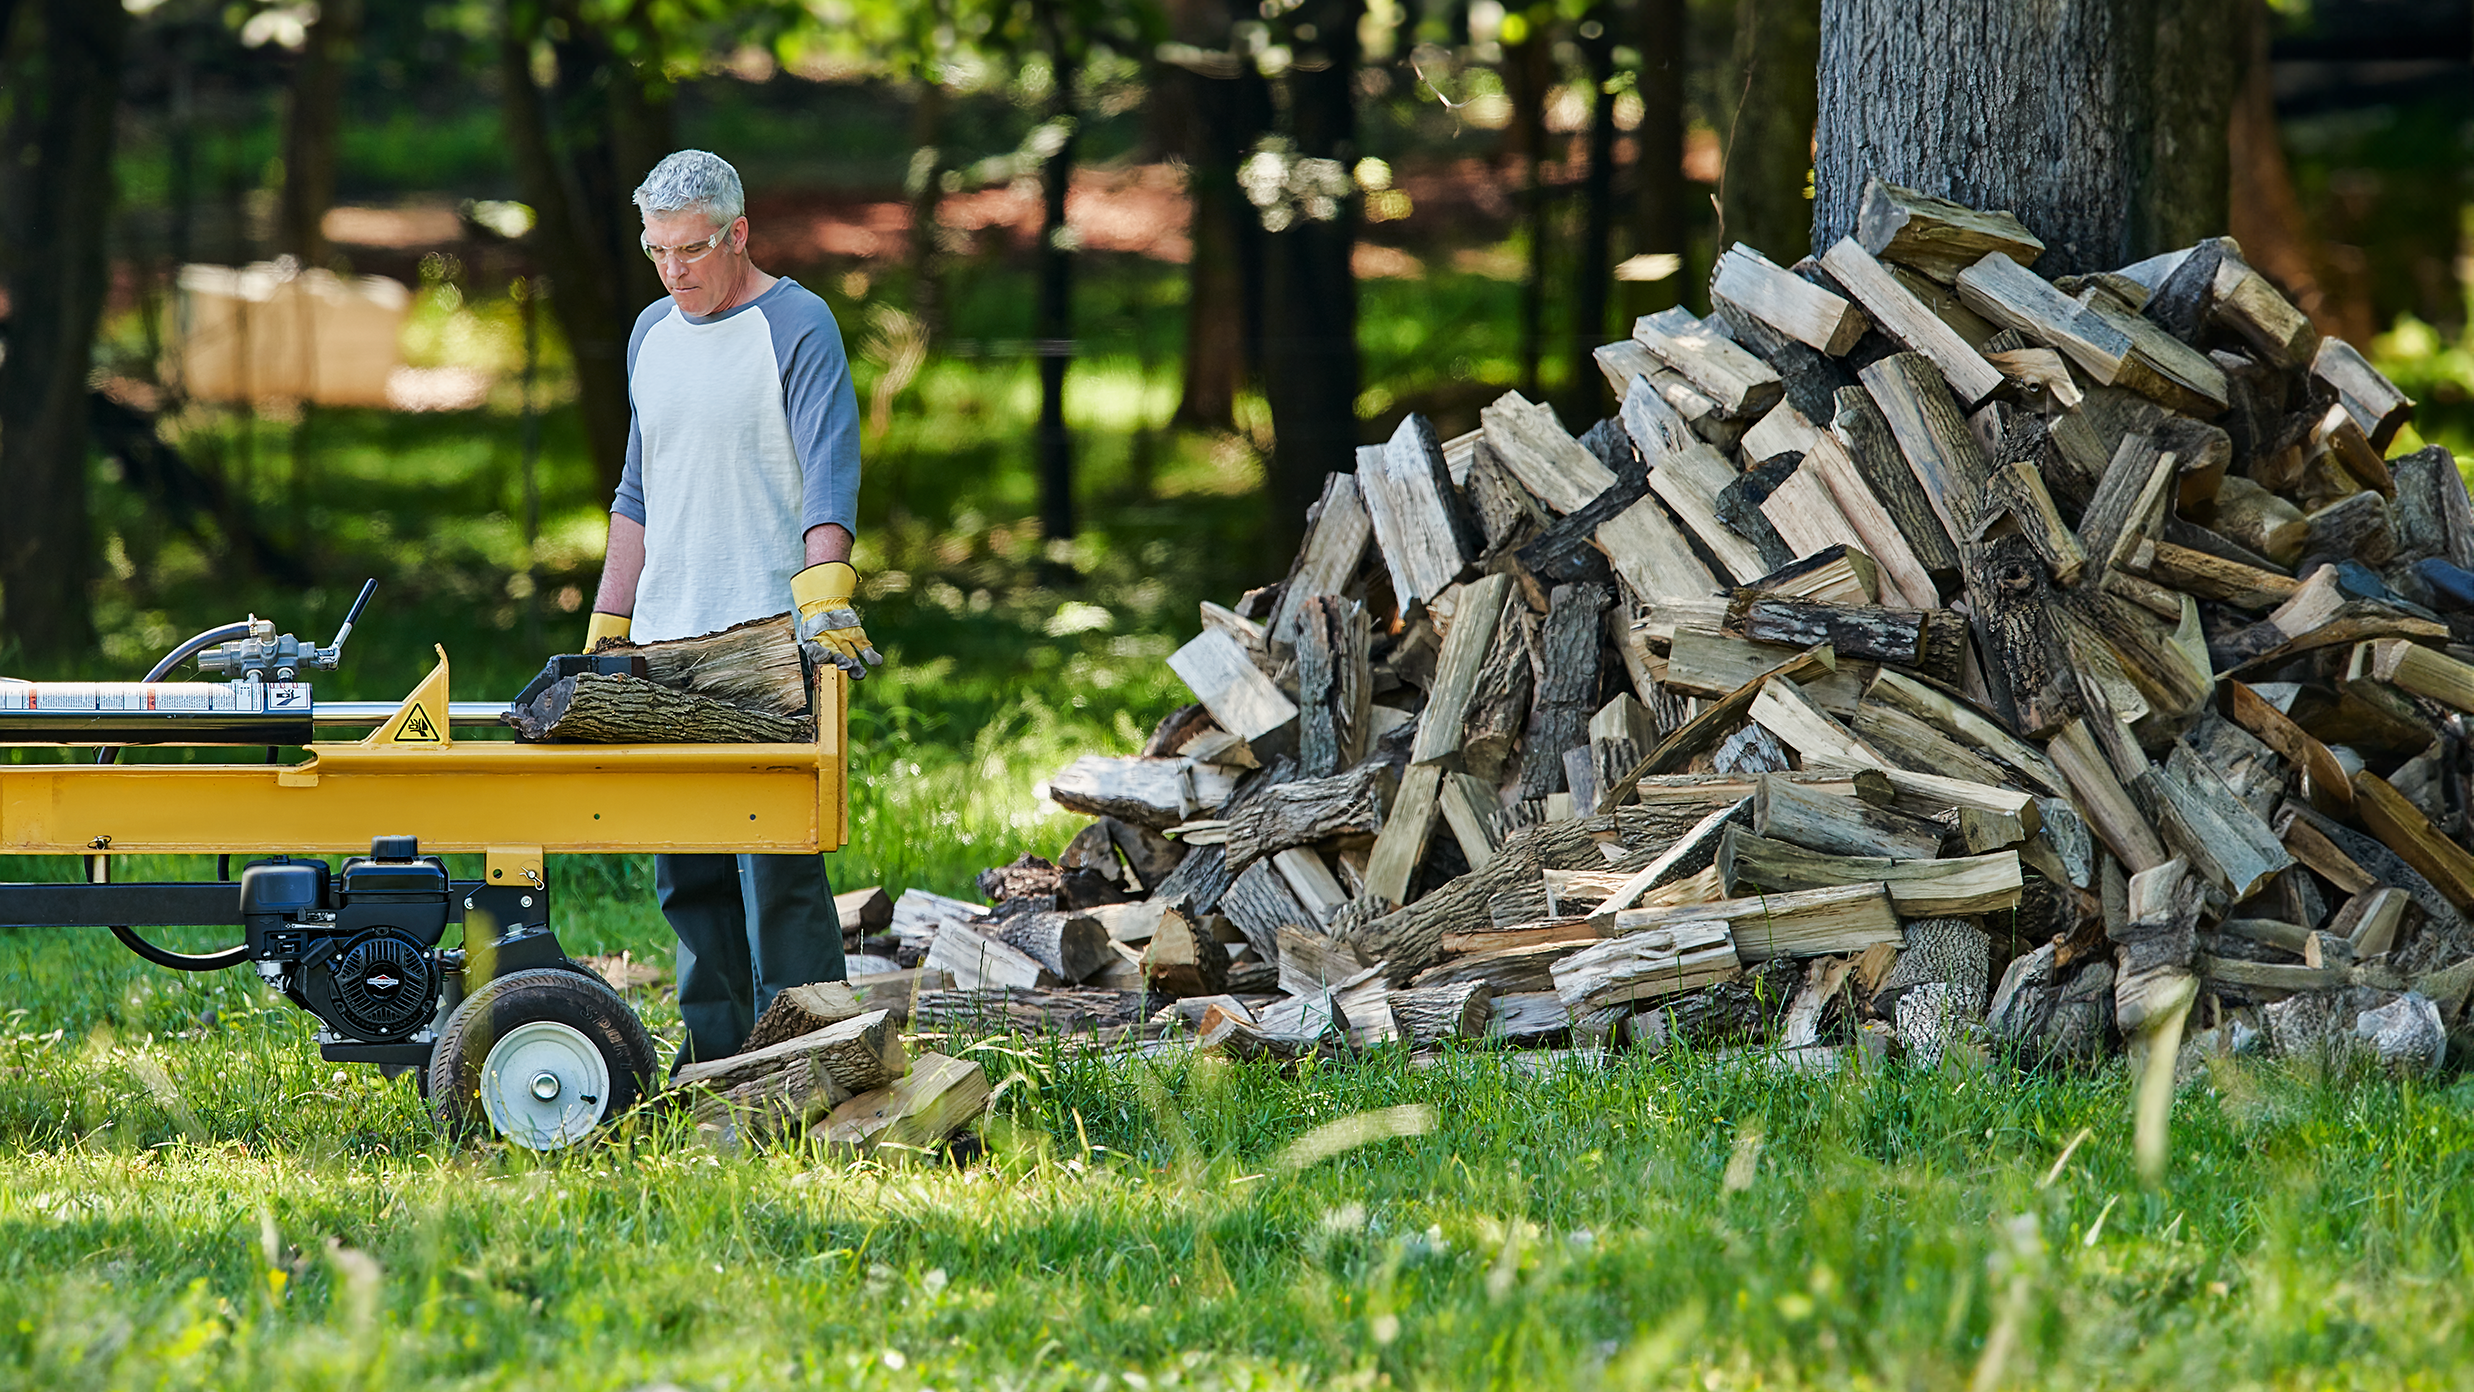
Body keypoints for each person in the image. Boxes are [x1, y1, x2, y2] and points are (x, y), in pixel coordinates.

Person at [584, 149, 883, 1068]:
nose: (674, 271)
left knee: (778, 873)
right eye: (657, 252)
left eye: (691, 251)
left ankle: (808, 1061)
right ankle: (715, 1064)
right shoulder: (650, 334)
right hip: (672, 640)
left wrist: (825, 598)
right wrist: (608, 627)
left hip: (766, 642)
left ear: (738, 233)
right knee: (690, 873)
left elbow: (829, 472)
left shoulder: (797, 325)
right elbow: (637, 492)